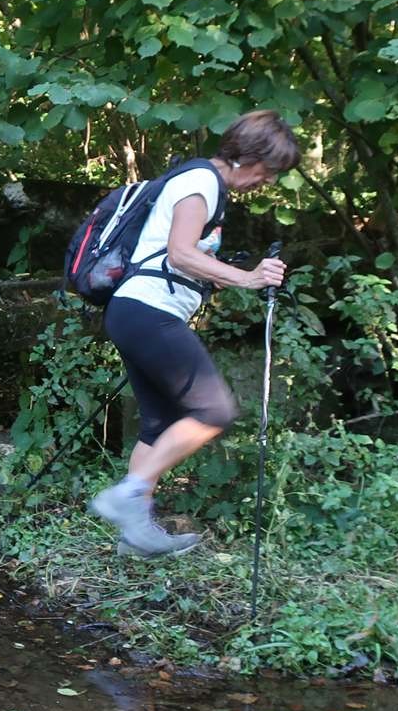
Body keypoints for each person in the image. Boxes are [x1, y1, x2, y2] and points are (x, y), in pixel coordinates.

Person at [88, 110, 296, 557]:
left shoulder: (202, 185)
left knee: (160, 423)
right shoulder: (200, 182)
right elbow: (181, 255)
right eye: (269, 170)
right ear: (248, 155)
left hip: (136, 311)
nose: (268, 181)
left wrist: (217, 274)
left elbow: (180, 257)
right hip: (147, 311)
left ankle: (136, 536)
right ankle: (128, 494)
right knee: (213, 411)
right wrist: (248, 277)